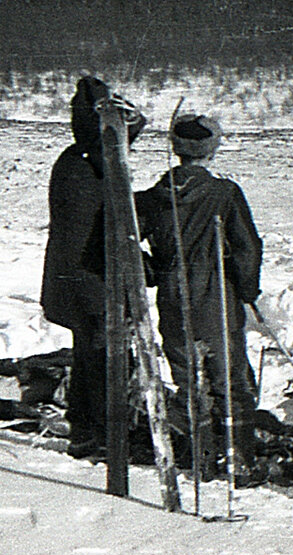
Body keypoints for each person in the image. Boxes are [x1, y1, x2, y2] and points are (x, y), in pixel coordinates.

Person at [136, 113, 263, 484]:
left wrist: (153, 271)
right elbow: (246, 248)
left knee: (188, 378)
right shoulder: (225, 193)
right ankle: (238, 460)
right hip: (216, 296)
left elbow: (127, 242)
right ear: (210, 150)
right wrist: (247, 289)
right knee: (229, 378)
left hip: (173, 297)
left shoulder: (153, 197)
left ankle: (201, 458)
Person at [40, 76, 146, 457]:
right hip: (91, 281)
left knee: (89, 356)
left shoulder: (75, 158)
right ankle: (106, 437)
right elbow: (108, 230)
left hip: (73, 281)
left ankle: (86, 432)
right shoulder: (98, 165)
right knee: (105, 359)